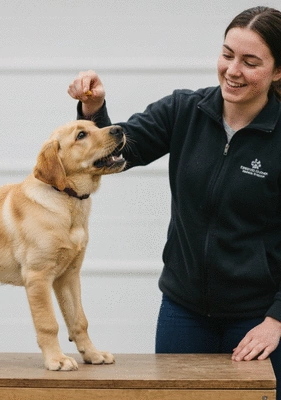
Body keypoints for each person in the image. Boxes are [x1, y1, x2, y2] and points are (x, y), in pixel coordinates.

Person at [67, 5, 281, 398]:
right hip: (183, 312)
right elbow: (117, 155)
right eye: (228, 54)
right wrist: (93, 111)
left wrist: (277, 319)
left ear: (278, 71)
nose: (233, 70)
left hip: (257, 321)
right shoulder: (185, 110)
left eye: (251, 62)